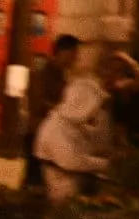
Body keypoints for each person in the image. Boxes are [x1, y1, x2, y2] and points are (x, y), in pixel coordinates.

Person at [35, 48, 130, 203]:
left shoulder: (78, 119)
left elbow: (97, 139)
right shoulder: (60, 125)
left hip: (75, 180)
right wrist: (107, 163)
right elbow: (71, 160)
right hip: (63, 184)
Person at [23, 33, 80, 188]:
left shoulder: (63, 78)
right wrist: (64, 111)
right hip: (39, 134)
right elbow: (38, 104)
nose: (76, 59)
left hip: (54, 137)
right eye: (74, 54)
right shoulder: (40, 75)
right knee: (36, 182)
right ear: (63, 52)